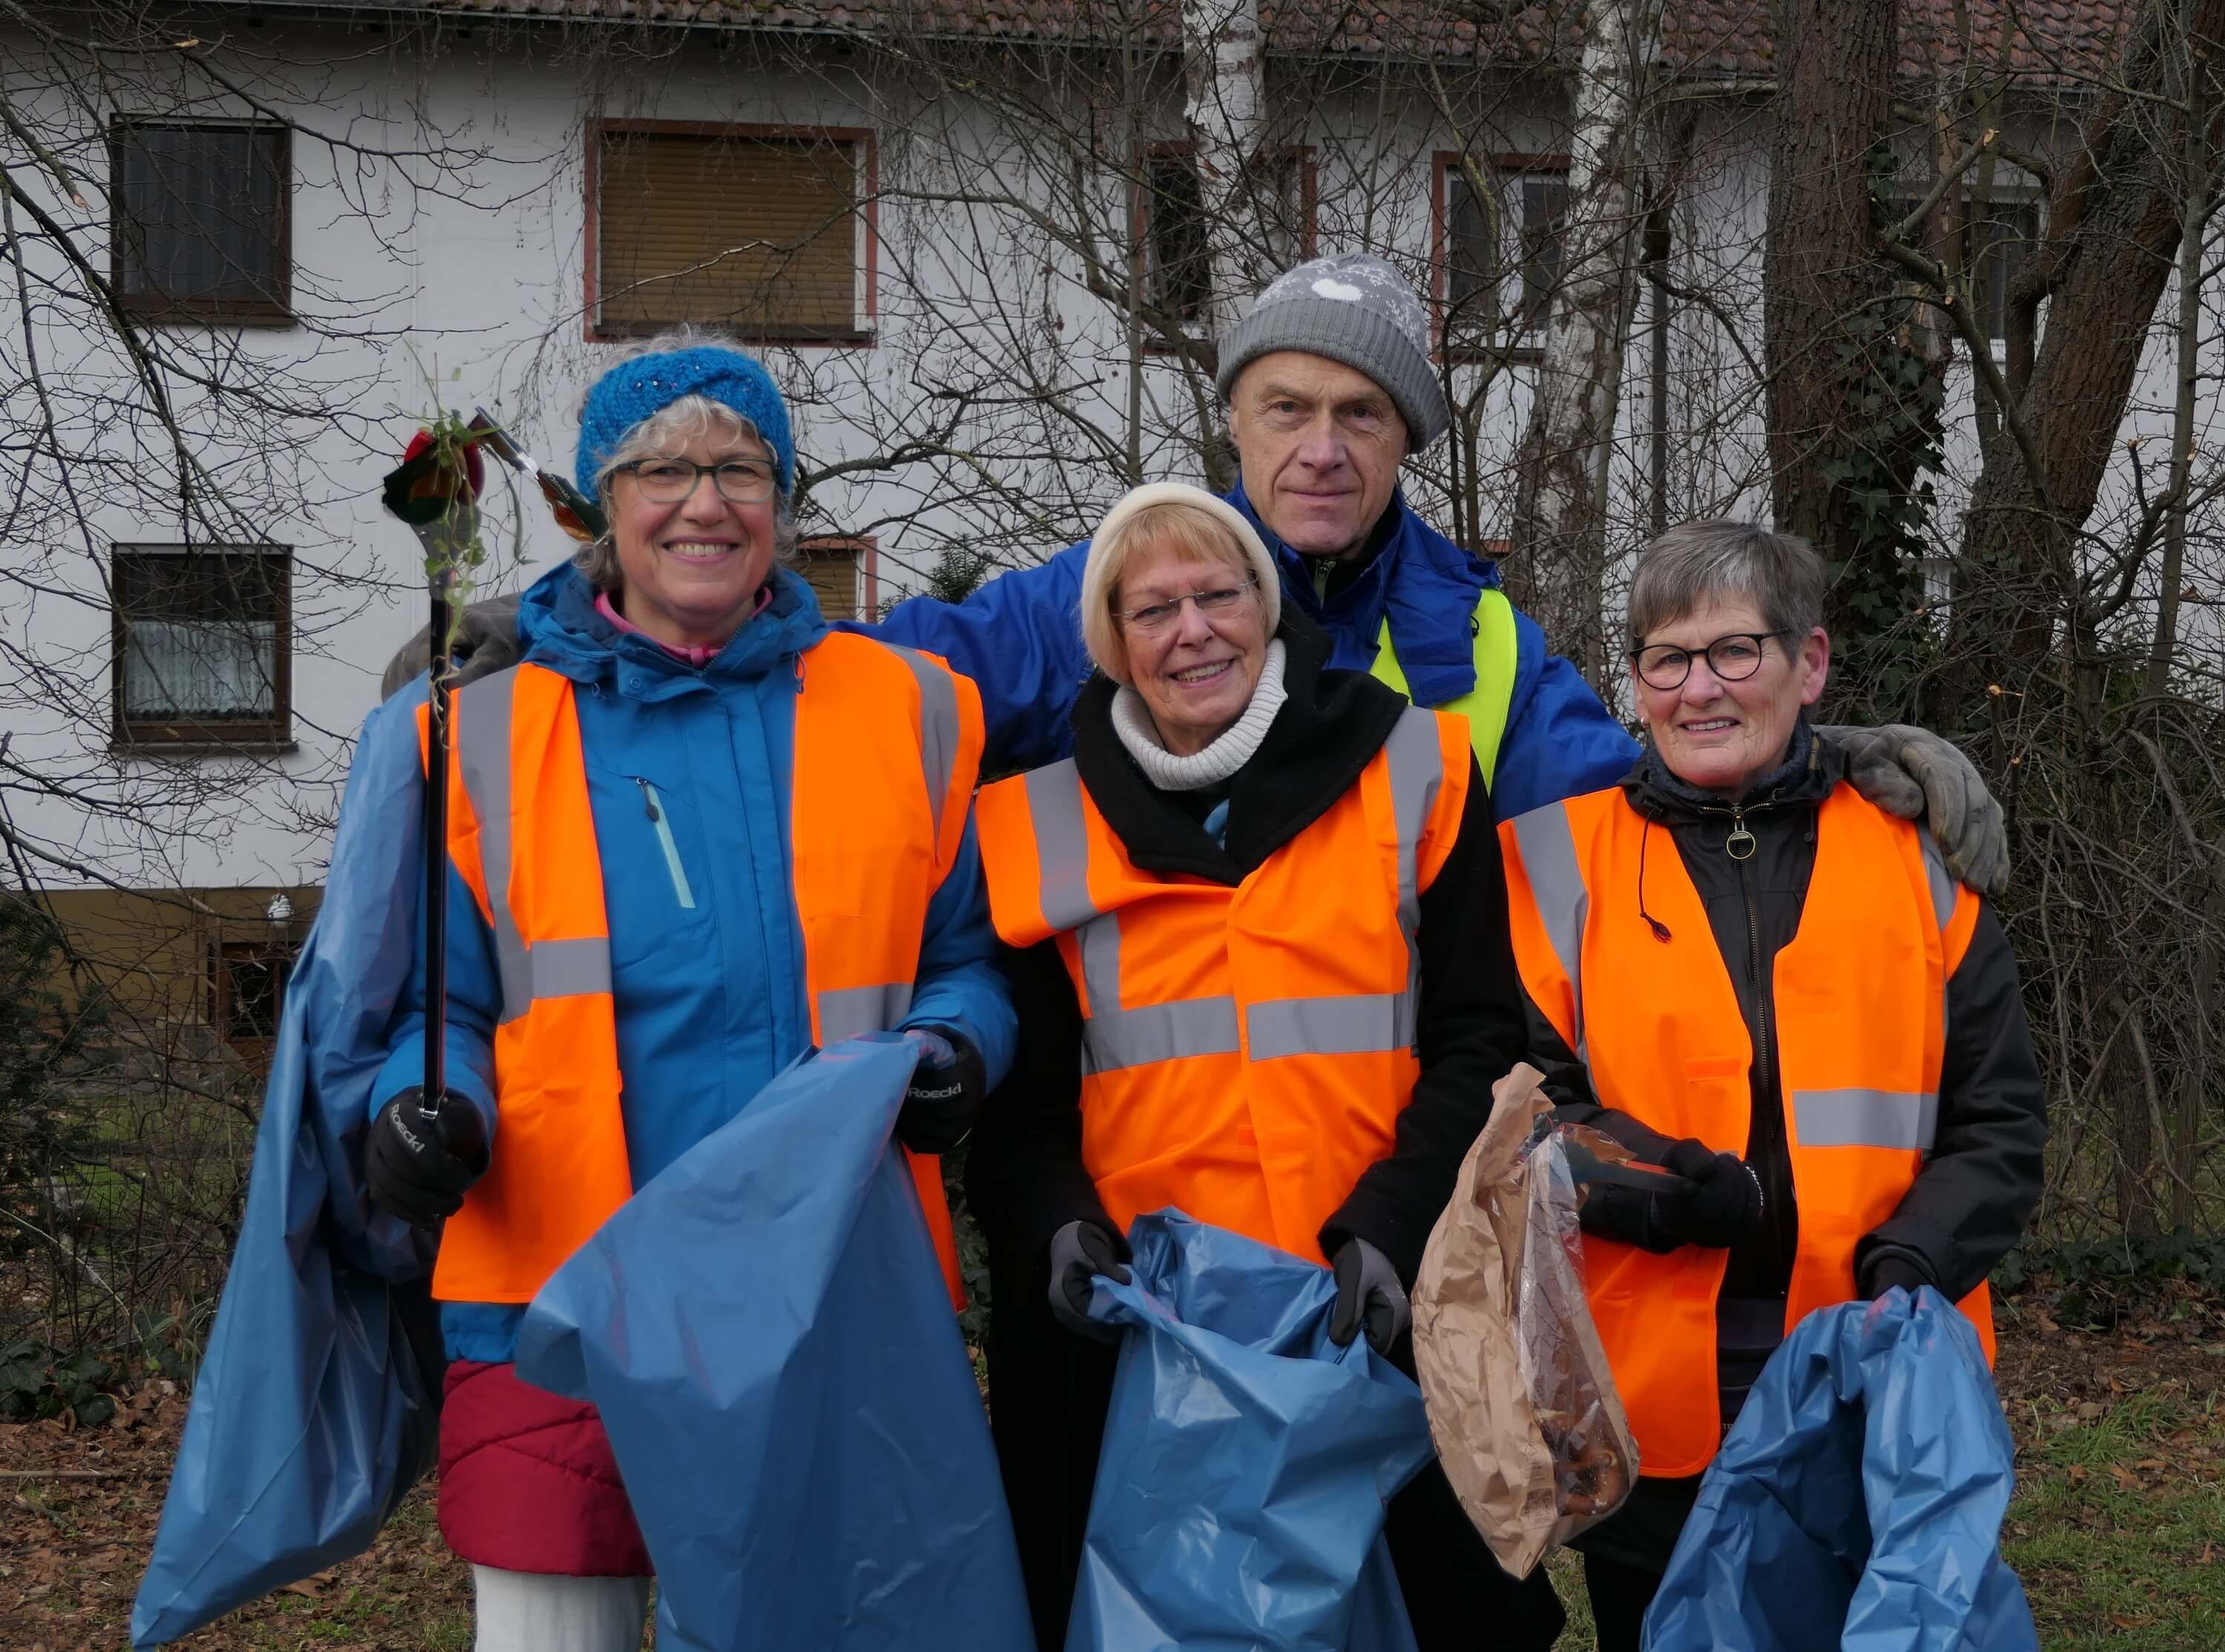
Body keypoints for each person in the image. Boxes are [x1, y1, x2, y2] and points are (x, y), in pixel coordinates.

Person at [385, 253, 2010, 891]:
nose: (1320, 446)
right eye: (1285, 408)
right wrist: (553, 634)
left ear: (1403, 444)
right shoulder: (1103, 597)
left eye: (1361, 415)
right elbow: (848, 680)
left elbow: (1629, 789)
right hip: (1139, 1172)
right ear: (1230, 423)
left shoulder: (1480, 640)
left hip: (1400, 1171)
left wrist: (1830, 755)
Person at [363, 328, 1016, 1652]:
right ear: (604, 505)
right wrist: (421, 1110)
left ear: (783, 502)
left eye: (742, 467)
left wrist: (956, 1051)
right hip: (561, 1299)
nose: (705, 501)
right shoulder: (478, 725)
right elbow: (436, 1005)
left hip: (829, 1300)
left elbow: (966, 960)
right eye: (662, 468)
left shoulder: (915, 710)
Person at [966, 482, 1552, 1649]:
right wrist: (1055, 1232)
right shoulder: (1029, 822)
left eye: (1221, 594)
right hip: (1143, 1342)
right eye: (1154, 609)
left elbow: (1483, 1035)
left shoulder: (1414, 762)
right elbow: (1021, 1106)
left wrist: (1391, 1219)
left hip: (1381, 1306)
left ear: (1268, 606)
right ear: (1112, 644)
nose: (1194, 630)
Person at [1496, 522, 2046, 1651]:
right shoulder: (1553, 862)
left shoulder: (1919, 856)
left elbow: (2000, 1122)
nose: (1700, 688)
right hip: (1647, 1407)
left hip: (1878, 1387)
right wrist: (1651, 1191)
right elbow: (1516, 1115)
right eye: (1667, 658)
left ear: (1813, 664)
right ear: (1637, 682)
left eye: (1736, 651)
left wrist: (1912, 1262)